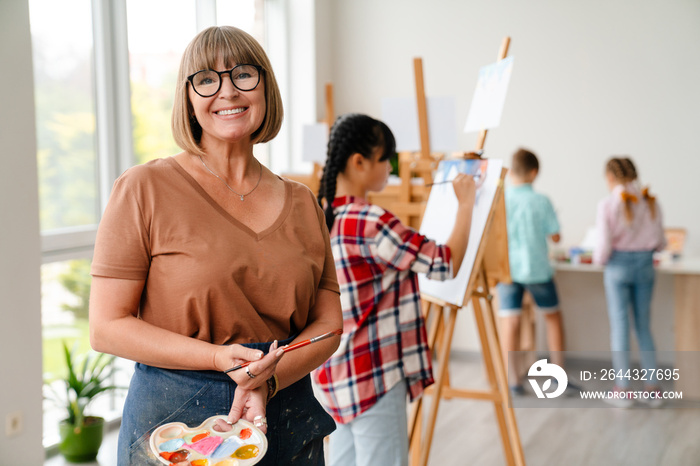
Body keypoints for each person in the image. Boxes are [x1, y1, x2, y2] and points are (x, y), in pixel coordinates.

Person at [89, 26, 342, 465]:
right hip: (174, 429)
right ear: (188, 96)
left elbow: (327, 324)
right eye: (206, 79)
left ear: (265, 87)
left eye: (244, 74)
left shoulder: (302, 201)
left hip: (284, 412)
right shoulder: (143, 188)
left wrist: (267, 380)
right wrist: (217, 358)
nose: (227, 91)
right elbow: (106, 325)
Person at [312, 113, 476, 466]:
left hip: (332, 374)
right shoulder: (371, 221)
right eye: (386, 158)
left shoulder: (320, 216)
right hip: (374, 376)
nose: (390, 167)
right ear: (359, 162)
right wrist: (465, 206)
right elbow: (443, 262)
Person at [497, 148, 576, 396]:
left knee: (510, 322)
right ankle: (557, 376)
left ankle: (512, 380)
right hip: (537, 270)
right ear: (534, 172)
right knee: (553, 318)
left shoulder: (501, 200)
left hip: (508, 270)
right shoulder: (541, 201)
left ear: (512, 171)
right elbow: (555, 236)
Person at [593, 157, 665, 408]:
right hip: (646, 266)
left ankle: (622, 389)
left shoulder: (607, 204)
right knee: (644, 326)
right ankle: (653, 389)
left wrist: (598, 260)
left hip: (618, 268)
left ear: (610, 178)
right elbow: (661, 242)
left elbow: (603, 248)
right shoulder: (650, 201)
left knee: (620, 327)